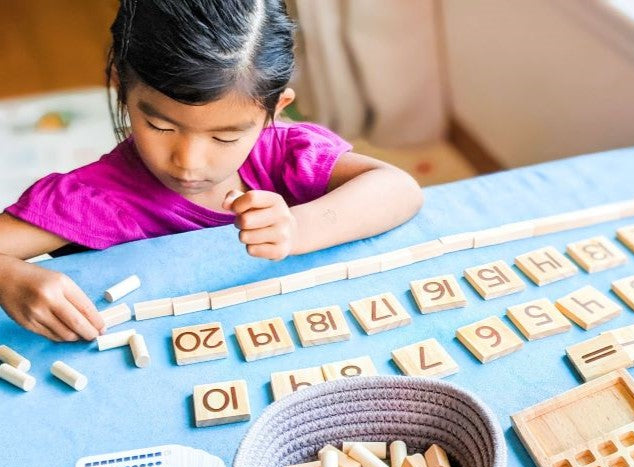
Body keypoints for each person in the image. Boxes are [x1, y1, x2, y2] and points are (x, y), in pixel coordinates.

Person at [0, 0, 423, 343]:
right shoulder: (95, 199)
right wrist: (8, 277)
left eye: (225, 137)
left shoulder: (285, 155)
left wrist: (298, 227)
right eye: (160, 126)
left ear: (274, 110)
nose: (189, 162)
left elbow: (399, 188)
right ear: (121, 87)